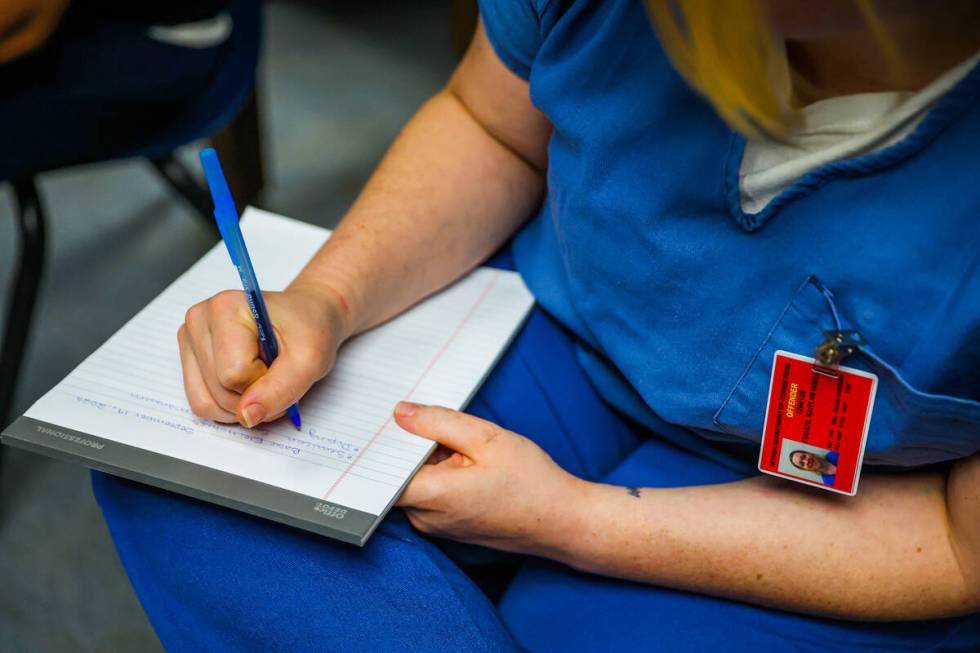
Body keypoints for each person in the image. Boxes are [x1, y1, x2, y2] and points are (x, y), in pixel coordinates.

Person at [92, 1, 980, 651]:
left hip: (858, 507)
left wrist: (578, 524)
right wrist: (326, 297)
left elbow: (955, 538)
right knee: (181, 479)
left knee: (558, 626)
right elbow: (491, 124)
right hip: (561, 328)